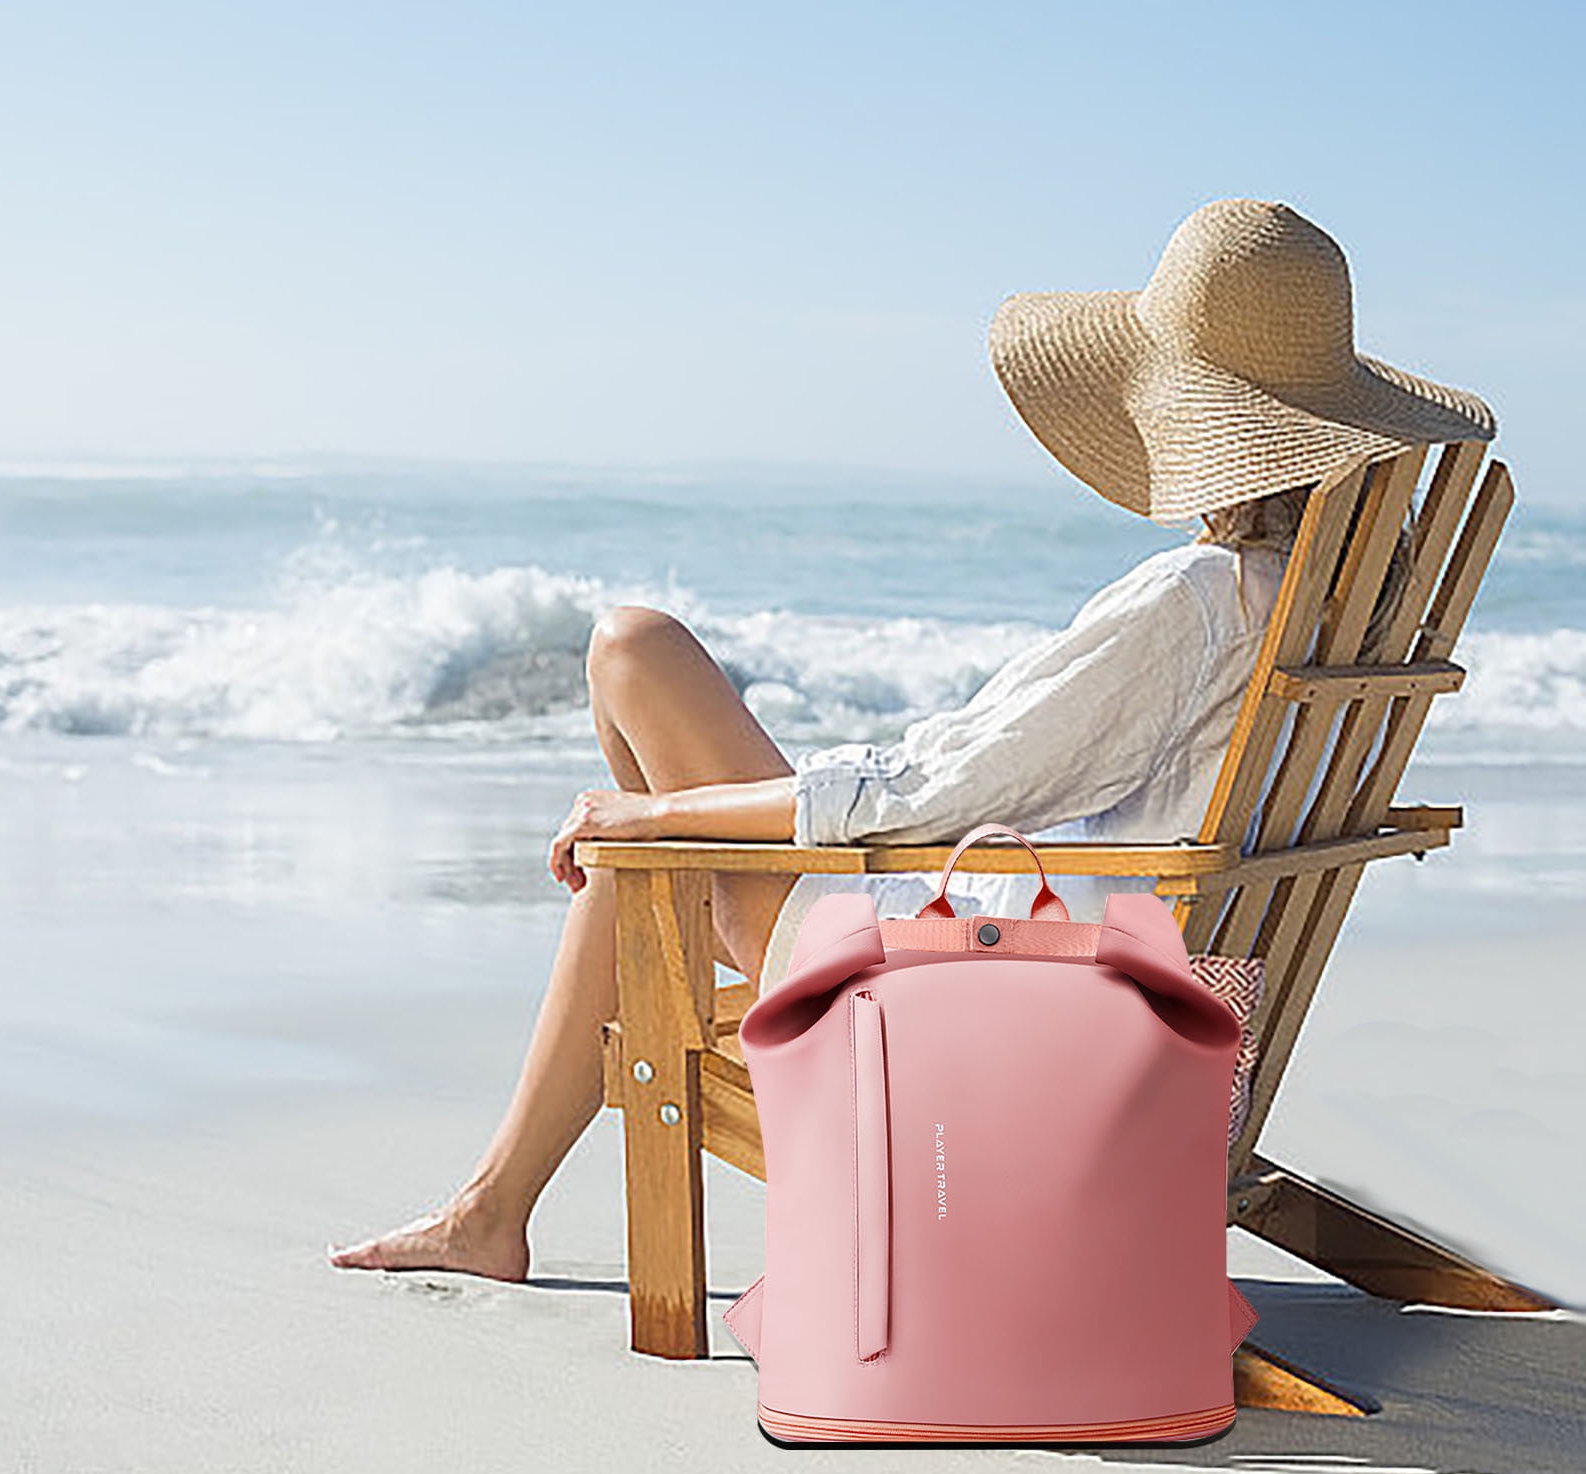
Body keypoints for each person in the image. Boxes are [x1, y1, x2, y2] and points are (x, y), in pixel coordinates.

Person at [330, 197, 1494, 1282]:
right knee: (645, 823)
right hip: (1145, 1028)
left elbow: (936, 793)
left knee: (632, 657)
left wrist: (657, 813)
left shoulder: (1198, 601)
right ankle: (493, 1201)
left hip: (985, 1019)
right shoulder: (1350, 619)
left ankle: (491, 1208)